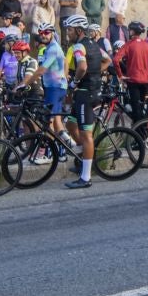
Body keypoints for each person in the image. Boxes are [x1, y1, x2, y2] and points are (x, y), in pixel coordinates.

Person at [63, 16, 102, 188]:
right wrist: (95, 74)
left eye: (70, 30)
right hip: (90, 91)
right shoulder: (95, 44)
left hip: (85, 94)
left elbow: (82, 67)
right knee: (70, 125)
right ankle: (83, 157)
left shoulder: (79, 46)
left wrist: (74, 82)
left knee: (86, 135)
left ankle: (86, 177)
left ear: (79, 30)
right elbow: (107, 60)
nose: (67, 33)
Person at [114, 21, 148, 122]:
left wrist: (120, 75)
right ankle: (142, 127)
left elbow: (115, 60)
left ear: (132, 31)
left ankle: (139, 130)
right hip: (146, 81)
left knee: (136, 109)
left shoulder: (128, 44)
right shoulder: (147, 45)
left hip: (133, 80)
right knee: (141, 107)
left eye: (129, 30)